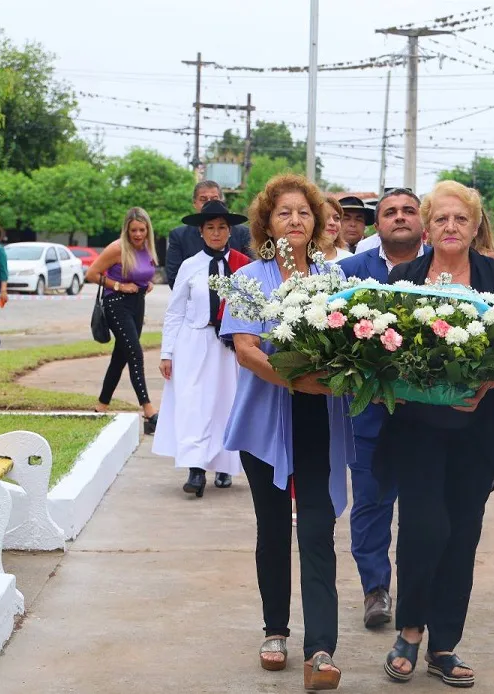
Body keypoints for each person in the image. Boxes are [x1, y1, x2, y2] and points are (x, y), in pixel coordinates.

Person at [380, 180, 494, 688]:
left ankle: (444, 645)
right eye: (440, 218)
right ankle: (410, 632)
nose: (449, 227)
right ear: (425, 224)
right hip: (417, 429)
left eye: (460, 219)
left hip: (476, 429)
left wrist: (485, 385)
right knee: (424, 529)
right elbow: (384, 350)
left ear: (474, 224)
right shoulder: (403, 277)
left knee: (462, 535)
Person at [220, 174, 354, 690]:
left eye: (303, 213)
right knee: (273, 527)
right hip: (265, 420)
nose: (295, 221)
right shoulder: (249, 278)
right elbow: (246, 349)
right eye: (284, 213)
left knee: (317, 529)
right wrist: (298, 379)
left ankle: (321, 649)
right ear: (266, 223)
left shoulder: (334, 280)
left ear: (317, 222)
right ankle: (275, 630)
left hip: (320, 420)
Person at [337, 187, 425, 630]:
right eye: (390, 211)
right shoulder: (349, 272)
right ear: (377, 224)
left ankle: (416, 593)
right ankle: (375, 589)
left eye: (410, 210)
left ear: (422, 222)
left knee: (423, 509)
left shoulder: (446, 274)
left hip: (430, 421)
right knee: (370, 505)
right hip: (367, 414)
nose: (400, 217)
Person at [154, 200, 250, 497]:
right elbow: (175, 311)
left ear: (230, 231)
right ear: (201, 231)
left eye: (222, 227)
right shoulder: (190, 266)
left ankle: (224, 465)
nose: (217, 233)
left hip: (229, 346)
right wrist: (167, 352)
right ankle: (196, 470)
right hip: (194, 342)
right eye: (211, 228)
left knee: (226, 403)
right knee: (194, 403)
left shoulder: (242, 266)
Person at [86, 207, 161, 433]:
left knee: (120, 358)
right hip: (116, 303)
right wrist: (118, 285)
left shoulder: (148, 248)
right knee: (135, 353)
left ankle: (101, 406)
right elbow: (91, 274)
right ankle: (148, 409)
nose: (138, 235)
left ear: (148, 230)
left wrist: (147, 283)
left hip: (137, 304)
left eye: (142, 230)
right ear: (126, 230)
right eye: (133, 231)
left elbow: (144, 272)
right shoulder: (117, 248)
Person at [165, 181, 252, 287]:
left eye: (214, 199)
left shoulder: (242, 233)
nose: (209, 203)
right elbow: (174, 279)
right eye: (203, 199)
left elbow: (252, 272)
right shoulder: (179, 236)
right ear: (194, 203)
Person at [318, 197, 352, 262]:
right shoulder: (297, 258)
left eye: (337, 218)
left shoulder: (350, 259)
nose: (332, 223)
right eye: (325, 217)